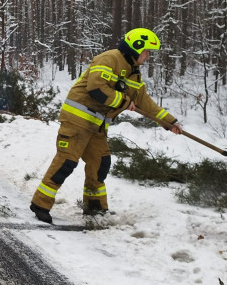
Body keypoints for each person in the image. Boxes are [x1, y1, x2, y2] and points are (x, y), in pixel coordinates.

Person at [29, 28, 182, 224]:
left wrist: (170, 122)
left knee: (100, 164)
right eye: (147, 52)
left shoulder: (134, 75)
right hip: (76, 122)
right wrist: (124, 101)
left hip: (97, 127)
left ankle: (94, 208)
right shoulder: (109, 59)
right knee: (65, 164)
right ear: (136, 48)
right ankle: (40, 203)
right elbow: (96, 89)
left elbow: (146, 103)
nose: (148, 57)